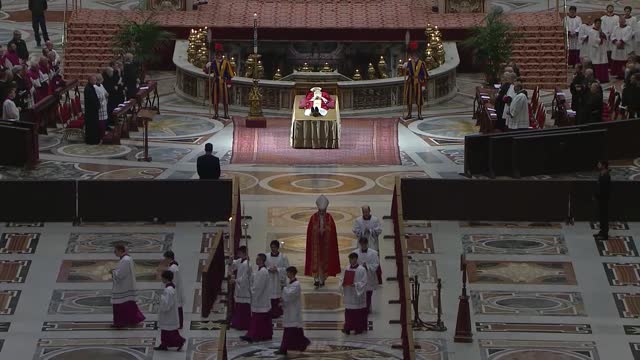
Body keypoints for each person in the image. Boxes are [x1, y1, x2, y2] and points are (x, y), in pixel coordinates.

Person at [305, 195, 341, 288]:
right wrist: (317, 230)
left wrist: (325, 230)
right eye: (320, 211)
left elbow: (332, 230)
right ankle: (316, 279)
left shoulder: (329, 217)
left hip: (326, 244)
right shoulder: (313, 218)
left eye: (323, 211)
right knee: (315, 261)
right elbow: (311, 231)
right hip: (315, 244)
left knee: (324, 262)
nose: (322, 213)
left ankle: (322, 279)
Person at [275, 266, 310, 356]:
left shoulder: (296, 284)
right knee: (294, 331)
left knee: (290, 331)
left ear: (291, 273)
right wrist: (282, 300)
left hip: (293, 311)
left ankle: (284, 348)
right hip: (289, 310)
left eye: (288, 273)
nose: (287, 274)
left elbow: (290, 295)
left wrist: (284, 288)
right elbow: (286, 296)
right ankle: (301, 344)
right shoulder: (289, 283)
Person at [110, 244, 146, 328]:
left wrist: (113, 272)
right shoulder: (128, 258)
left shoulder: (125, 260)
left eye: (115, 251)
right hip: (127, 285)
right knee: (129, 304)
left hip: (123, 287)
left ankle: (120, 323)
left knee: (119, 305)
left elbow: (120, 275)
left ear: (120, 250)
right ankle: (132, 320)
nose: (114, 253)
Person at [240, 253, 273, 343]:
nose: (256, 260)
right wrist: (249, 273)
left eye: (258, 259)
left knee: (259, 319)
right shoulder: (259, 270)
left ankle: (257, 335)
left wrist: (252, 291)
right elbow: (253, 277)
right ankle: (252, 334)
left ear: (262, 260)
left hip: (261, 300)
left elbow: (258, 287)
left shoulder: (263, 272)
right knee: (256, 319)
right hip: (259, 299)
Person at [154, 270, 186, 351]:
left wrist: (160, 298)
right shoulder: (171, 287)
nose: (161, 279)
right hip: (170, 314)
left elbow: (167, 304)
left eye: (162, 277)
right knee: (166, 331)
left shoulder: (169, 290)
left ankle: (180, 341)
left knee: (169, 331)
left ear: (165, 278)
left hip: (168, 314)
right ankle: (164, 345)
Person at [203, 43, 234, 119]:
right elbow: (207, 72)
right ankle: (216, 114)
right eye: (217, 53)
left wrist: (229, 82)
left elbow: (230, 74)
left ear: (222, 54)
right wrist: (207, 67)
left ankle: (226, 114)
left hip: (224, 82)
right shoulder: (213, 62)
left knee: (225, 99)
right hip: (216, 82)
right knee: (215, 99)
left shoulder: (226, 63)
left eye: (220, 53)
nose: (218, 55)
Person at [340, 252, 368, 335]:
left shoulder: (361, 269)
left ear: (356, 259)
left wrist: (355, 285)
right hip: (348, 293)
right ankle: (348, 328)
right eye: (350, 259)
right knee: (348, 312)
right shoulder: (346, 268)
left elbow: (364, 282)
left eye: (352, 259)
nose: (351, 261)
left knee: (357, 312)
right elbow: (341, 278)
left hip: (357, 294)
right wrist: (342, 283)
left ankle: (358, 328)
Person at [403, 41, 428, 120]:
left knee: (419, 99)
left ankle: (419, 114)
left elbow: (425, 75)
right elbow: (406, 73)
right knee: (408, 98)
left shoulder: (422, 63)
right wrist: (404, 68)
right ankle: (409, 114)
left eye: (414, 54)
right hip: (410, 82)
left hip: (418, 83)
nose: (413, 55)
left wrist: (423, 84)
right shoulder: (409, 63)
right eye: (412, 54)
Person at [229, 245, 252, 330]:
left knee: (243, 308)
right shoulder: (240, 260)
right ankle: (237, 323)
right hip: (239, 288)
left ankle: (243, 325)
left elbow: (245, 278)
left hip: (244, 289)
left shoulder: (247, 264)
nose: (238, 254)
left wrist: (235, 280)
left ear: (243, 253)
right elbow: (233, 265)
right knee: (238, 307)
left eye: (239, 253)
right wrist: (231, 260)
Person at [354, 237, 379, 314]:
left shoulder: (374, 253)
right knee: (360, 293)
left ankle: (367, 308)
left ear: (367, 244)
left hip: (369, 276)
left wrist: (367, 266)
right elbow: (353, 264)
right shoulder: (355, 253)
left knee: (368, 293)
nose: (363, 245)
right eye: (362, 244)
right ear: (360, 244)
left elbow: (376, 264)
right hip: (360, 276)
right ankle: (361, 308)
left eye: (364, 244)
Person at [265, 240, 289, 319]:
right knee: (269, 295)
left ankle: (277, 312)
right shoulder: (267, 256)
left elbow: (287, 269)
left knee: (277, 296)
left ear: (278, 248)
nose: (273, 249)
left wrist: (278, 269)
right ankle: (269, 310)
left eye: (274, 247)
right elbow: (264, 266)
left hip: (278, 279)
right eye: (271, 247)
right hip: (269, 278)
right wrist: (269, 269)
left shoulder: (283, 257)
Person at [163, 251, 185, 329]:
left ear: (169, 258)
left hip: (175, 290)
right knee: (178, 306)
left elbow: (173, 280)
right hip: (177, 289)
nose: (164, 260)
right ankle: (179, 323)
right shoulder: (174, 266)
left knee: (177, 307)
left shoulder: (173, 268)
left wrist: (170, 289)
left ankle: (179, 323)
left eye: (165, 258)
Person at [594, 160, 611, 240]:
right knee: (601, 216)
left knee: (604, 216)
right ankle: (601, 231)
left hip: (604, 199)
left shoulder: (606, 175)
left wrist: (600, 196)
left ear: (604, 165)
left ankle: (605, 234)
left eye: (599, 164)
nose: (598, 165)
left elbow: (605, 189)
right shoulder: (601, 173)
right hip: (600, 198)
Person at [589, 19, 609, 83]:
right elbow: (593, 41)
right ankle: (598, 78)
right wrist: (600, 39)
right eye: (597, 23)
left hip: (602, 49)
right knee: (597, 64)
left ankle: (604, 79)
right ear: (594, 23)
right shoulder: (592, 31)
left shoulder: (602, 30)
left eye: (600, 23)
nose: (599, 25)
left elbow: (606, 38)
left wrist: (602, 34)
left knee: (604, 63)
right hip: (596, 50)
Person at [84, 75, 101, 145]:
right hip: (91, 111)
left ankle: (94, 140)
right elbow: (92, 100)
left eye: (95, 80)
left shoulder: (91, 87)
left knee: (94, 126)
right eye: (94, 80)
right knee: (92, 127)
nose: (95, 81)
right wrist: (98, 105)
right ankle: (92, 141)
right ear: (90, 80)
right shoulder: (88, 88)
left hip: (92, 111)